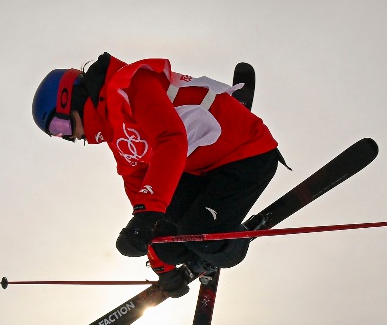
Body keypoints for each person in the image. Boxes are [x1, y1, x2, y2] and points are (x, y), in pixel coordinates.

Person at [33, 54, 278, 295]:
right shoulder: (116, 135)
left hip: (246, 154)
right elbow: (139, 189)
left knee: (197, 230)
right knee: (167, 245)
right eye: (58, 136)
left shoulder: (130, 85)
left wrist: (148, 215)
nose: (70, 137)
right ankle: (204, 247)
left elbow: (170, 140)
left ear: (70, 98)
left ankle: (233, 241)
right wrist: (159, 259)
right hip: (203, 170)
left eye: (60, 127)